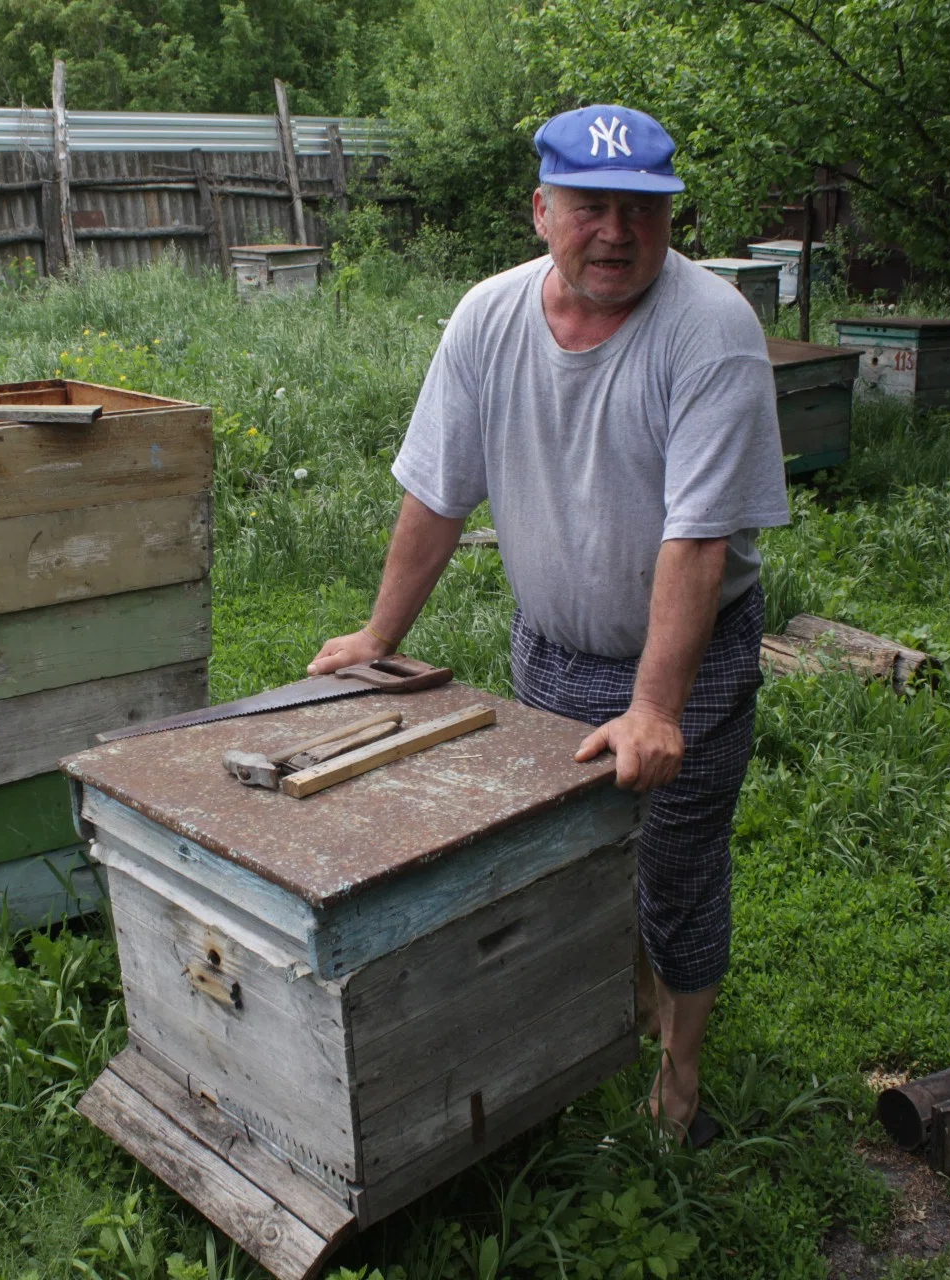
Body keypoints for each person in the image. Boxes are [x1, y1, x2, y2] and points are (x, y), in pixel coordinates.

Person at [308, 104, 790, 1147]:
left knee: (676, 868)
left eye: (641, 211)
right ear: (541, 211)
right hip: (552, 653)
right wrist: (377, 636)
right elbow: (439, 491)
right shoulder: (486, 319)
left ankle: (679, 1083)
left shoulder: (712, 332)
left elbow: (697, 538)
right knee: (568, 866)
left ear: (671, 218)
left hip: (687, 666)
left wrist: (656, 705)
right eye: (589, 208)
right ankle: (597, 1025)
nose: (614, 231)